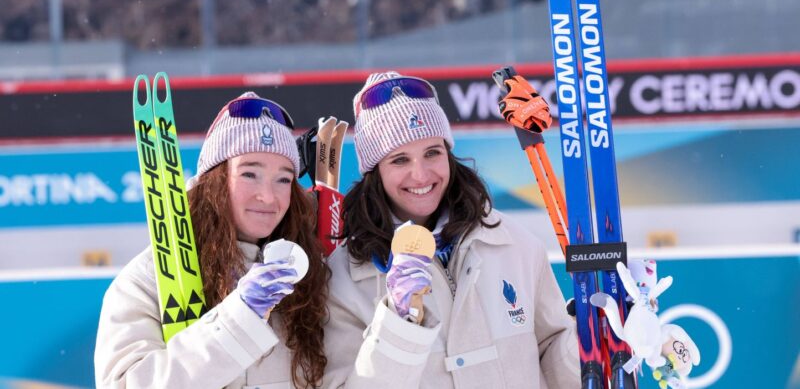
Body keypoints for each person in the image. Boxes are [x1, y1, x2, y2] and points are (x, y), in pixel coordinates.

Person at [323, 72, 580, 388]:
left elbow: (556, 365)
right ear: (375, 172)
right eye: (400, 160)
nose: (421, 175)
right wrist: (398, 325)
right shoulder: (344, 280)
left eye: (432, 152)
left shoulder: (514, 243)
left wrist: (588, 339)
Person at [95, 92, 329, 388]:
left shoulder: (310, 276)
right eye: (250, 174)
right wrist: (238, 319)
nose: (269, 196)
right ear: (215, 179)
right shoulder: (148, 279)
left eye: (283, 179)